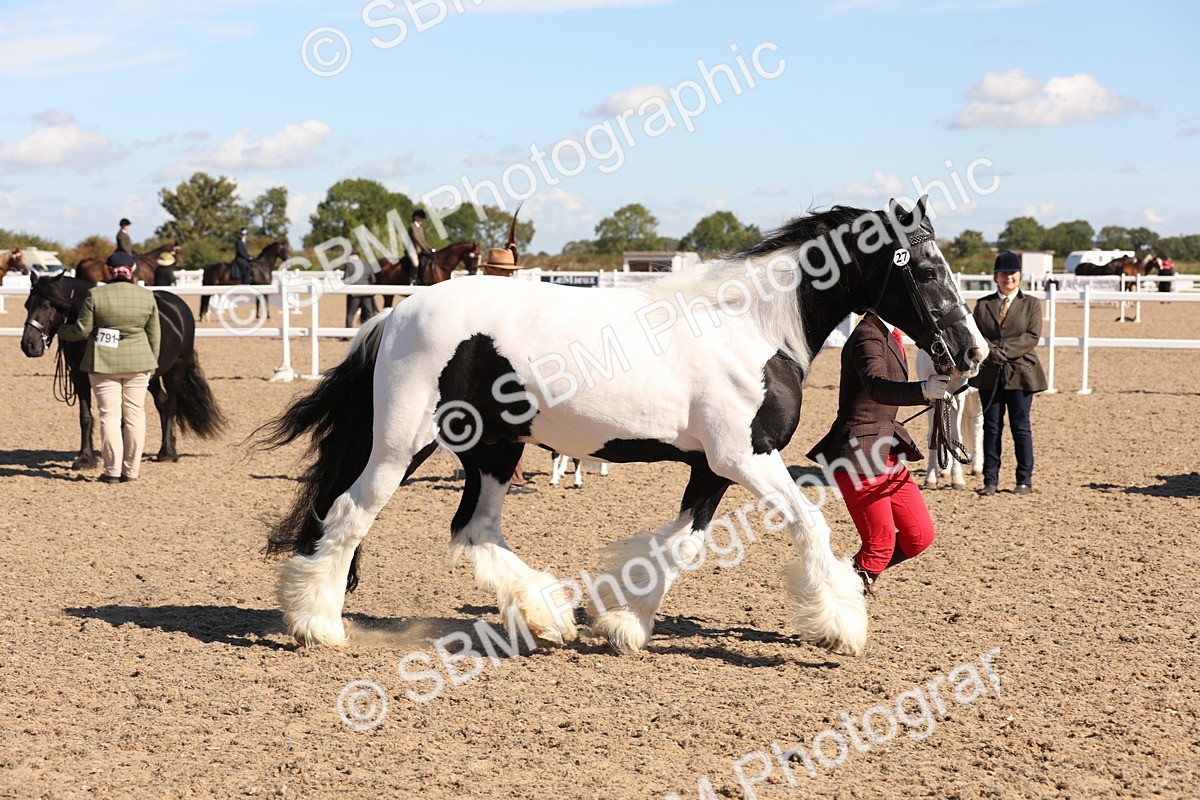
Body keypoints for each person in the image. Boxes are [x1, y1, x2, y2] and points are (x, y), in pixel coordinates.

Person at [807, 312, 957, 595]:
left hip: (884, 448)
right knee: (879, 545)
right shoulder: (868, 335)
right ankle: (838, 602)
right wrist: (923, 390)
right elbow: (876, 386)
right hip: (859, 454)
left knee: (919, 536)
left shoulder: (889, 333)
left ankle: (846, 579)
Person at [58, 251, 161, 483]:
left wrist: (60, 331)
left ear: (108, 271)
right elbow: (155, 335)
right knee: (135, 416)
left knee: (109, 416)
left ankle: (112, 471)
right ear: (132, 270)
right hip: (139, 362)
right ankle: (131, 471)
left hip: (104, 363)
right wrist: (151, 363)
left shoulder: (96, 295)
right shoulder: (146, 296)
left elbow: (82, 331)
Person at [970, 251, 1047, 496]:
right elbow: (975, 334)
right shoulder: (983, 305)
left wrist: (1005, 351)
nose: (1008, 278)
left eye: (1012, 273)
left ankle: (1024, 480)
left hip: (1021, 372)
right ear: (996, 277)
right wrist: (991, 351)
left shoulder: (1032, 304)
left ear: (1019, 275)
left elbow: (1032, 336)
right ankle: (990, 480)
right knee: (991, 427)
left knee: (1020, 426)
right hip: (990, 373)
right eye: (1003, 274)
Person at [479, 244, 537, 494]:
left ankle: (510, 475)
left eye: (511, 270)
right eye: (505, 270)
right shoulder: (491, 295)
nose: (509, 275)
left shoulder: (492, 292)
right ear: (492, 270)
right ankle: (511, 477)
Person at [343, 250, 378, 328]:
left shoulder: (349, 266)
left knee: (350, 314)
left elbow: (346, 280)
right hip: (367, 294)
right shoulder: (367, 265)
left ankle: (347, 334)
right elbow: (373, 280)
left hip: (354, 294)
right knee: (369, 314)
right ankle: (370, 334)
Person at [405, 209, 435, 285]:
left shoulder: (420, 228)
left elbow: (423, 241)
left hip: (419, 250)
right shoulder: (412, 227)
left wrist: (430, 248)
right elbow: (417, 240)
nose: (422, 220)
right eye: (421, 218)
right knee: (415, 263)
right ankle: (412, 280)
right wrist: (425, 249)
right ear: (416, 217)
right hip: (412, 250)